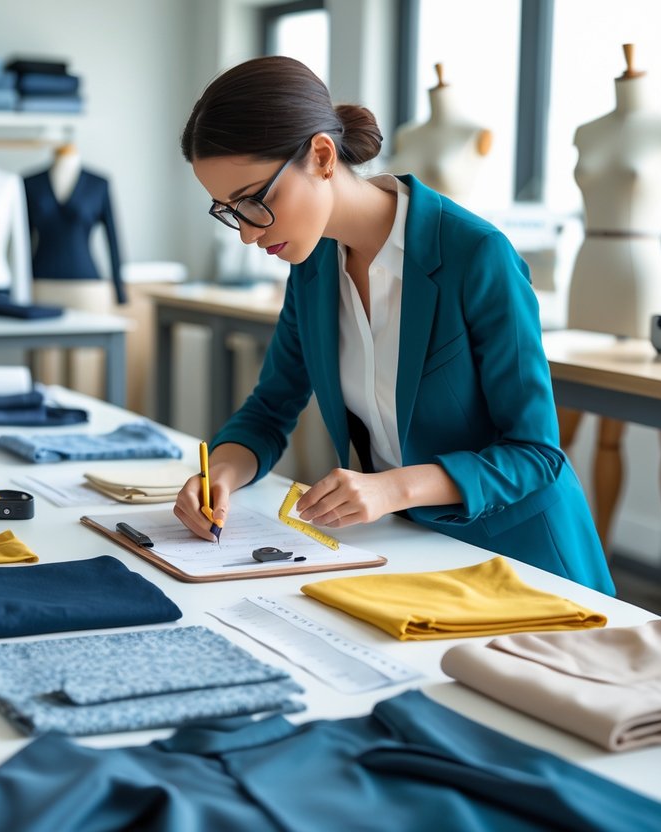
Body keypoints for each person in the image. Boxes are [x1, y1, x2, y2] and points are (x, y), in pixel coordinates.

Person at [173, 56, 614, 593]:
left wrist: (391, 489)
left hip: (523, 561)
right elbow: (269, 411)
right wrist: (218, 476)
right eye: (229, 211)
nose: (247, 233)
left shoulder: (476, 255)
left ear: (321, 156)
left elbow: (536, 453)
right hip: (411, 554)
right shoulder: (312, 267)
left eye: (255, 202)